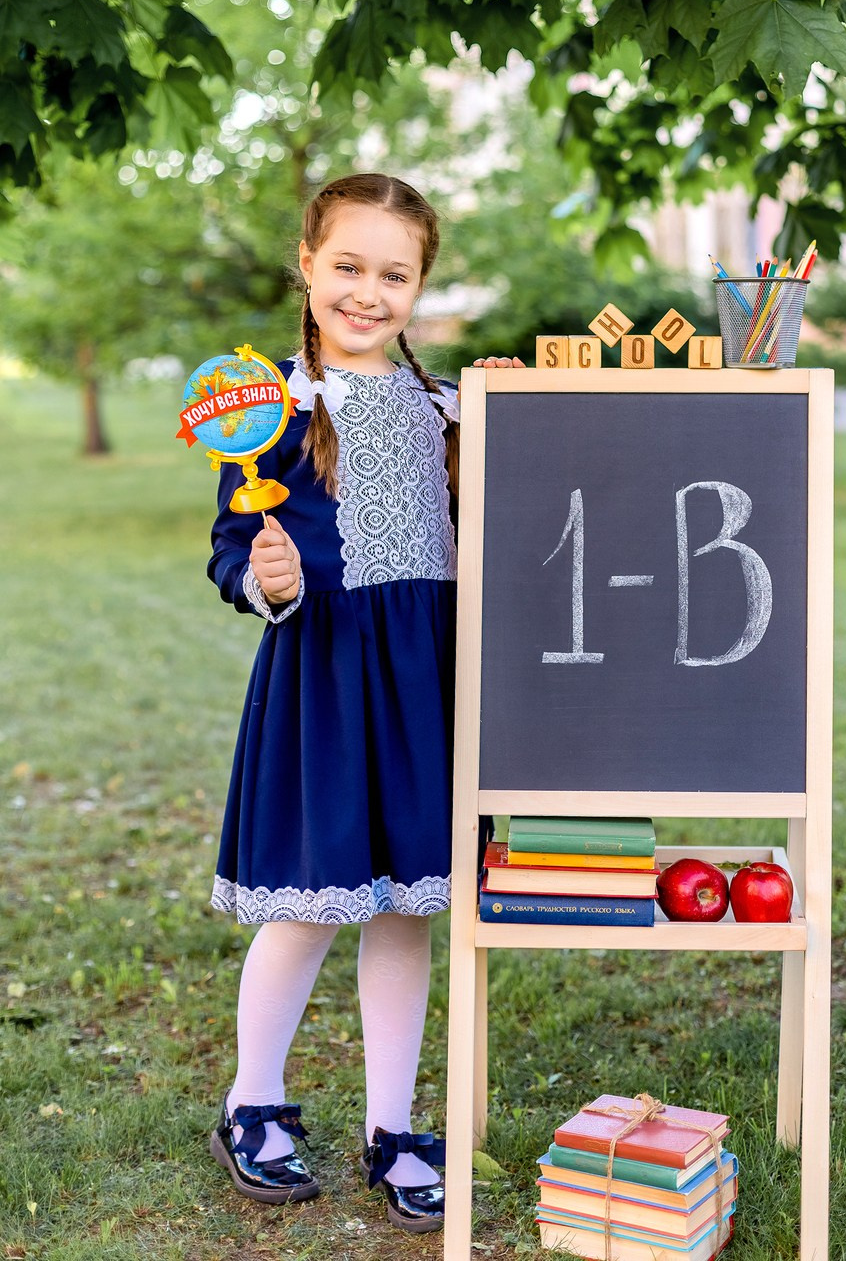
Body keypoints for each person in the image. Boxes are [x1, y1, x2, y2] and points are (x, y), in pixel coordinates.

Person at [204, 172, 523, 1232]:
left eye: (394, 273)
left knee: (406, 903)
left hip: (425, 681)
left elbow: (503, 513)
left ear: (419, 284)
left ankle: (394, 1127)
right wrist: (269, 577)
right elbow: (229, 552)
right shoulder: (270, 411)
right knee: (308, 903)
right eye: (349, 266)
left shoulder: (443, 410)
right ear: (307, 263)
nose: (368, 291)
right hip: (330, 679)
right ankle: (254, 1102)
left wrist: (509, 415)